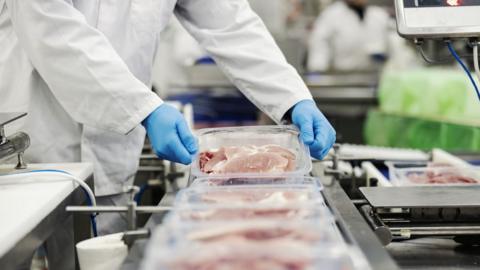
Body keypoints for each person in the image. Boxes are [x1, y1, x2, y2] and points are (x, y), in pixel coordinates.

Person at [0, 0, 335, 247]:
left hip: (115, 153)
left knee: (104, 255)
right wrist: (144, 109)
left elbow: (229, 22)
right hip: (37, 148)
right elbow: (51, 29)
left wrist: (292, 99)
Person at [307, 0, 391, 72]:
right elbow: (319, 47)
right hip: (343, 79)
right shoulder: (330, 16)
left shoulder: (378, 15)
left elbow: (395, 44)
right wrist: (317, 72)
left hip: (376, 78)